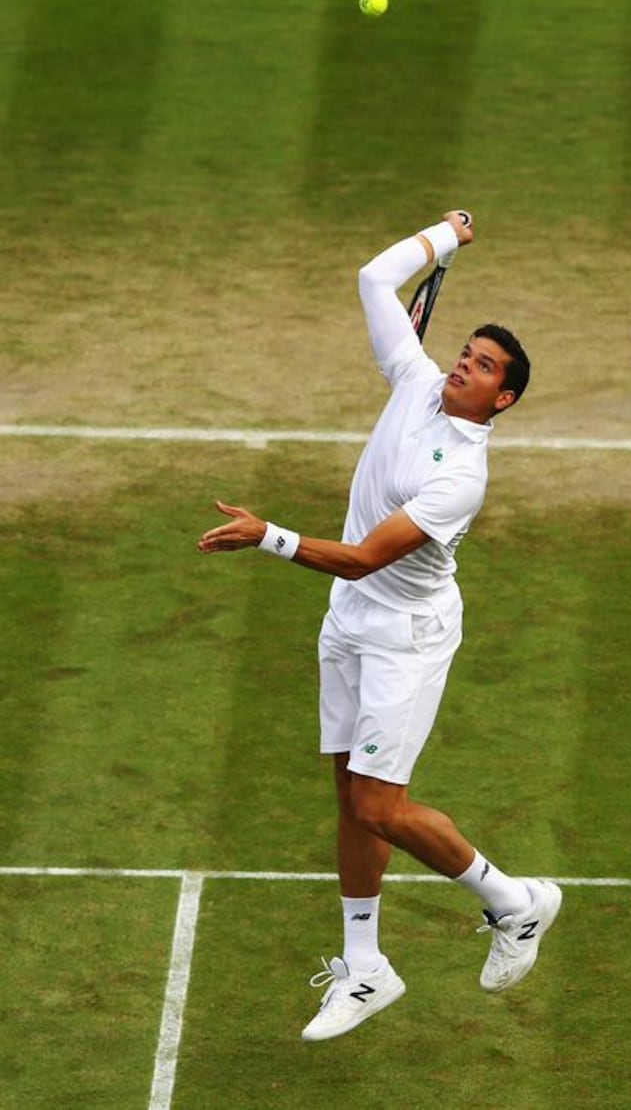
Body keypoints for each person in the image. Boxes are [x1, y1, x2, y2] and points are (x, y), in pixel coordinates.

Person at [198, 211, 562, 1042]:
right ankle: (365, 965)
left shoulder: (462, 475)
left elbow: (364, 556)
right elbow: (373, 278)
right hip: (350, 622)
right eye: (463, 353)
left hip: (406, 633)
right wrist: (445, 235)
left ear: (500, 398)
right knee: (348, 797)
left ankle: (517, 900)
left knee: (380, 805)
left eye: (480, 368)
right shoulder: (412, 376)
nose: (461, 368)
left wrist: (270, 536)